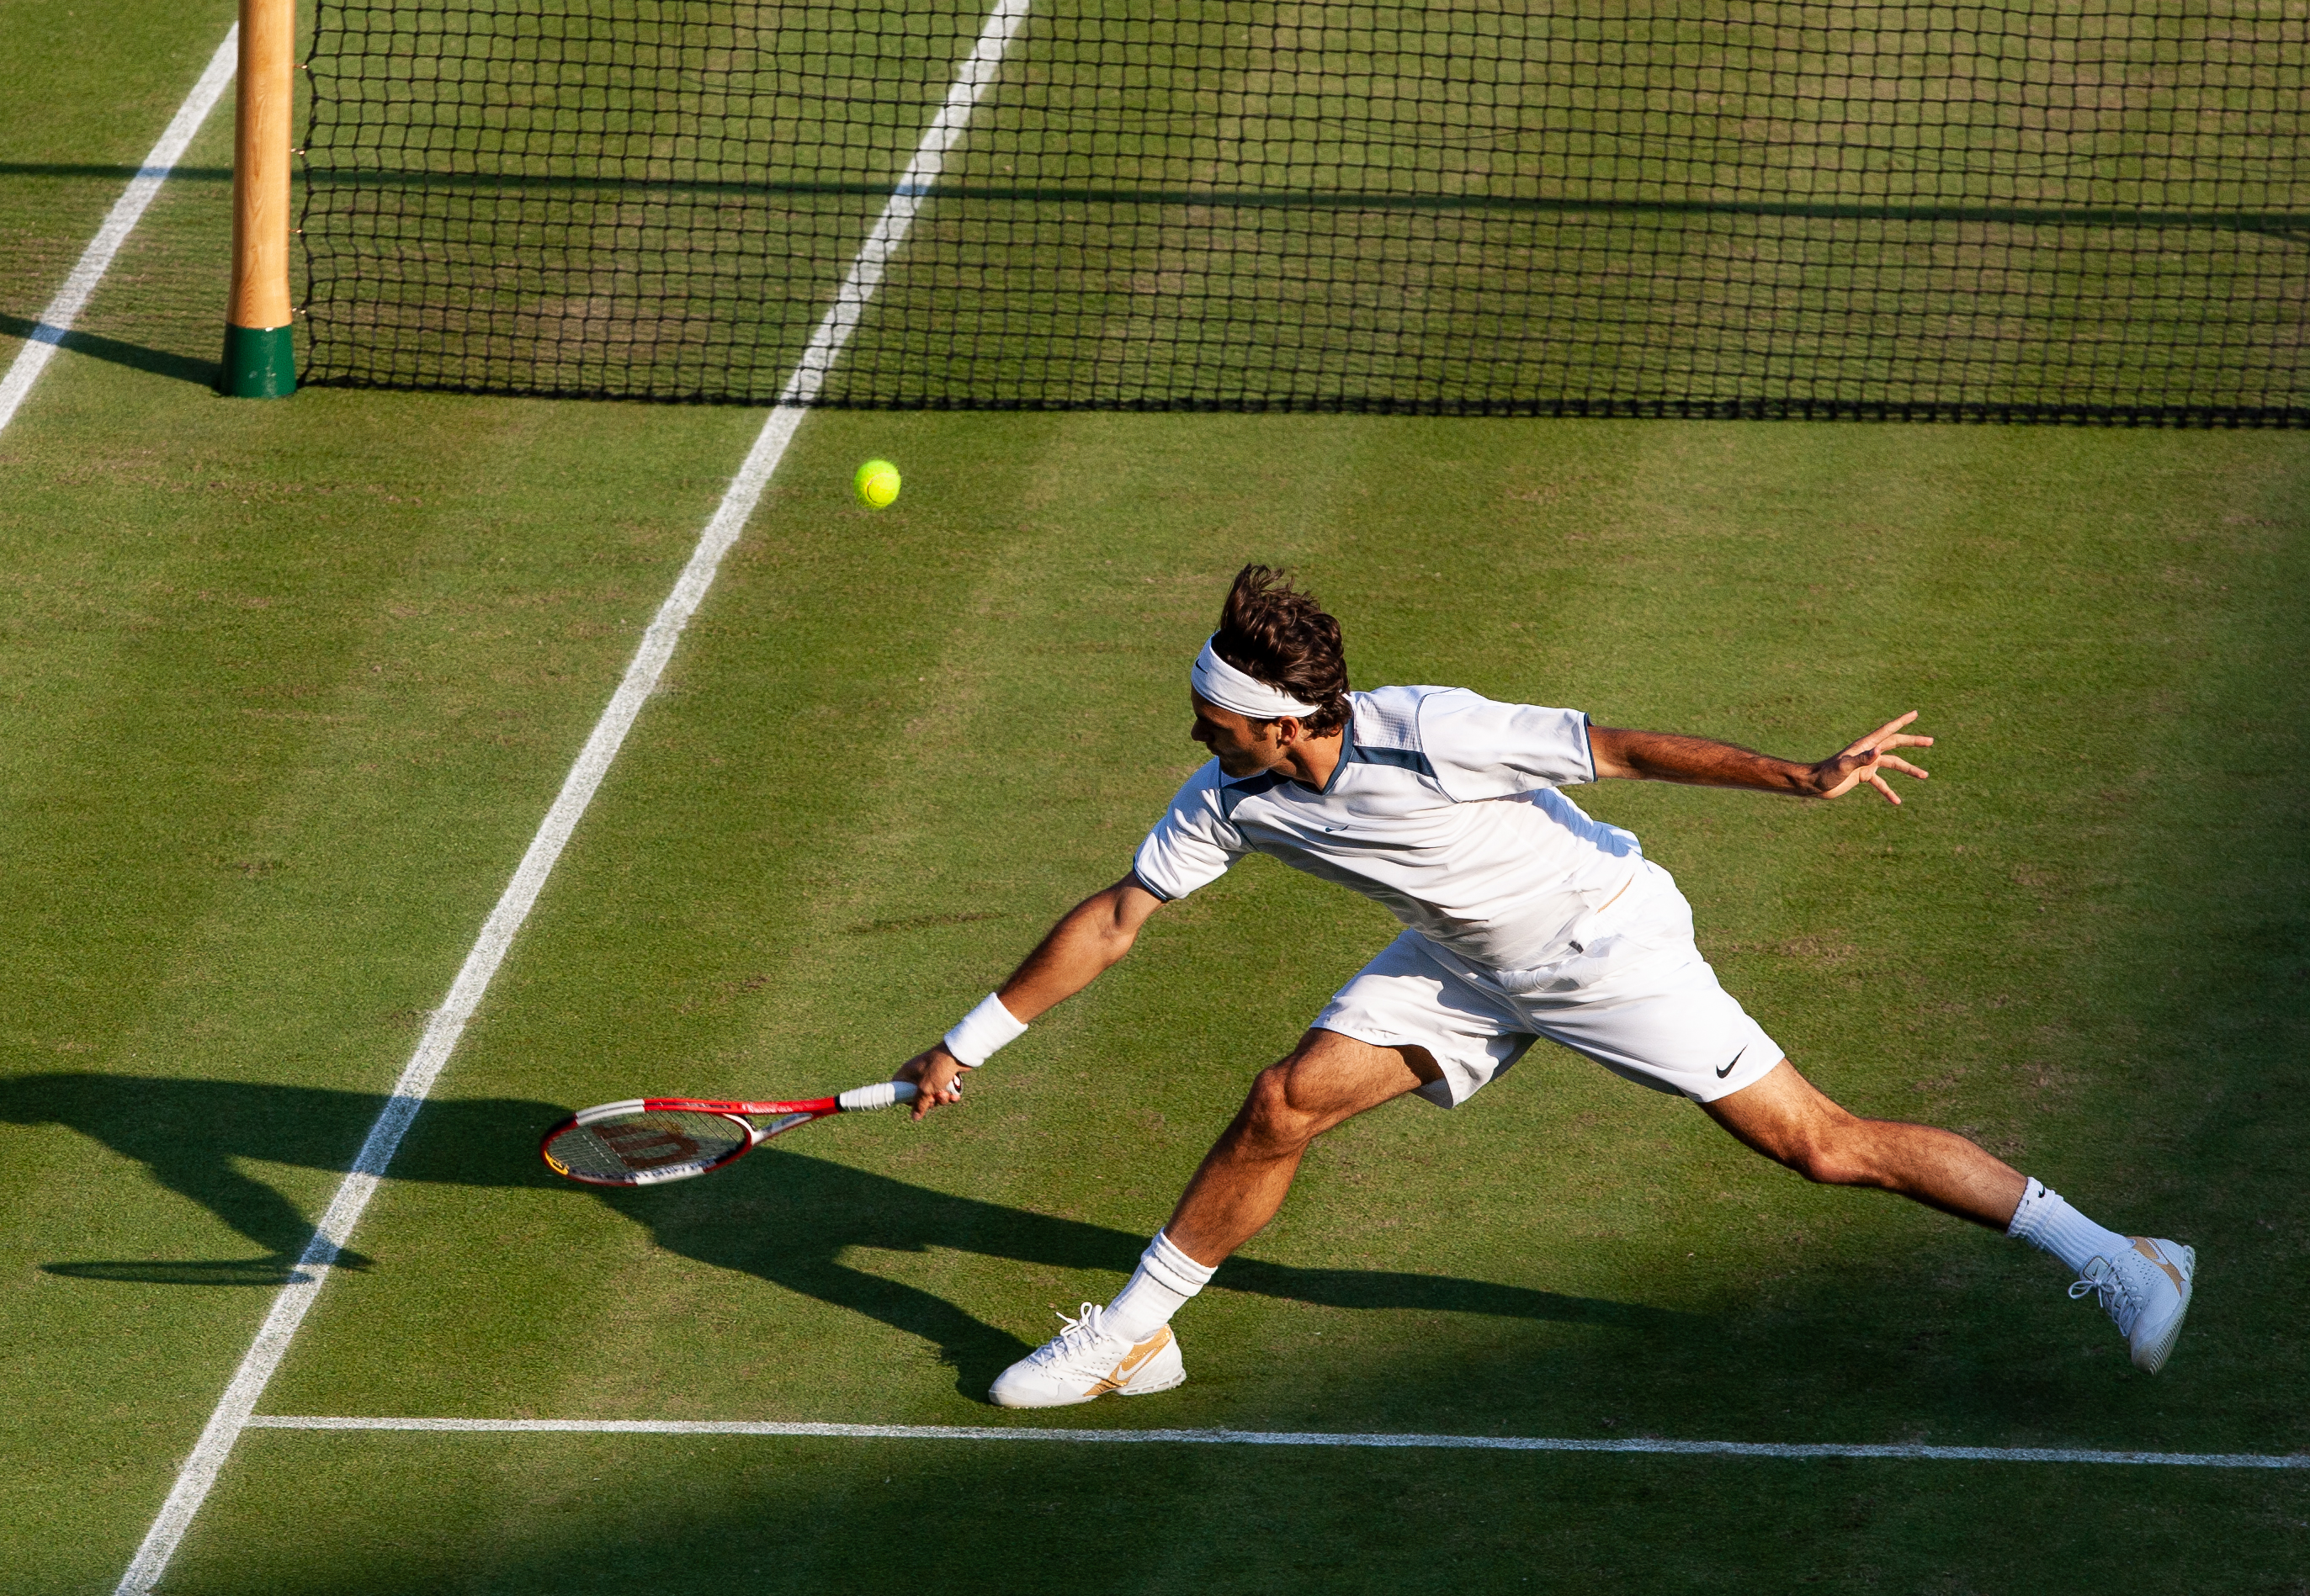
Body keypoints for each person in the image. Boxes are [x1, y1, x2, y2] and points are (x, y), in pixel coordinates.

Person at [896, 565, 2194, 1408]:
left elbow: (1616, 749)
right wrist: (967, 1040)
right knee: (1282, 1102)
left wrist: (1799, 778)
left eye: (1214, 720)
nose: (1197, 736)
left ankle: (2121, 1255)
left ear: (1287, 718)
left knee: (1824, 1146)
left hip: (1602, 946)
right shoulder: (1227, 801)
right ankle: (1139, 1331)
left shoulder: (1433, 727)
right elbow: (1118, 920)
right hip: (1461, 963)